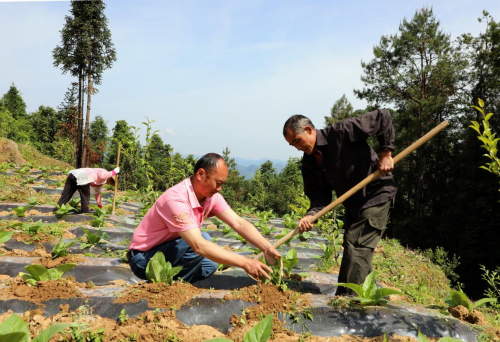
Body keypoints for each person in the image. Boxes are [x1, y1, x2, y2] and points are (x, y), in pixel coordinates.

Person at [283, 110, 397, 296]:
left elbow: (382, 117)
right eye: (292, 145)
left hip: (377, 193)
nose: (297, 147)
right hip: (354, 203)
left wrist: (386, 153)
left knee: (356, 242)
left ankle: (348, 301)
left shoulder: (341, 131)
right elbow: (319, 196)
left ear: (308, 130)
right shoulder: (310, 164)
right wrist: (310, 215)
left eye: (297, 141)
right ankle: (365, 294)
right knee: (352, 246)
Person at [128, 153, 281, 283]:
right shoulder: (176, 199)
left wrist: (267, 248)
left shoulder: (211, 197)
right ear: (200, 174)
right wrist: (245, 262)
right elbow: (198, 245)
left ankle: (174, 282)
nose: (219, 189)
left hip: (169, 250)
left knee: (211, 265)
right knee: (203, 239)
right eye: (218, 183)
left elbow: (239, 223)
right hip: (144, 258)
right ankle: (169, 288)